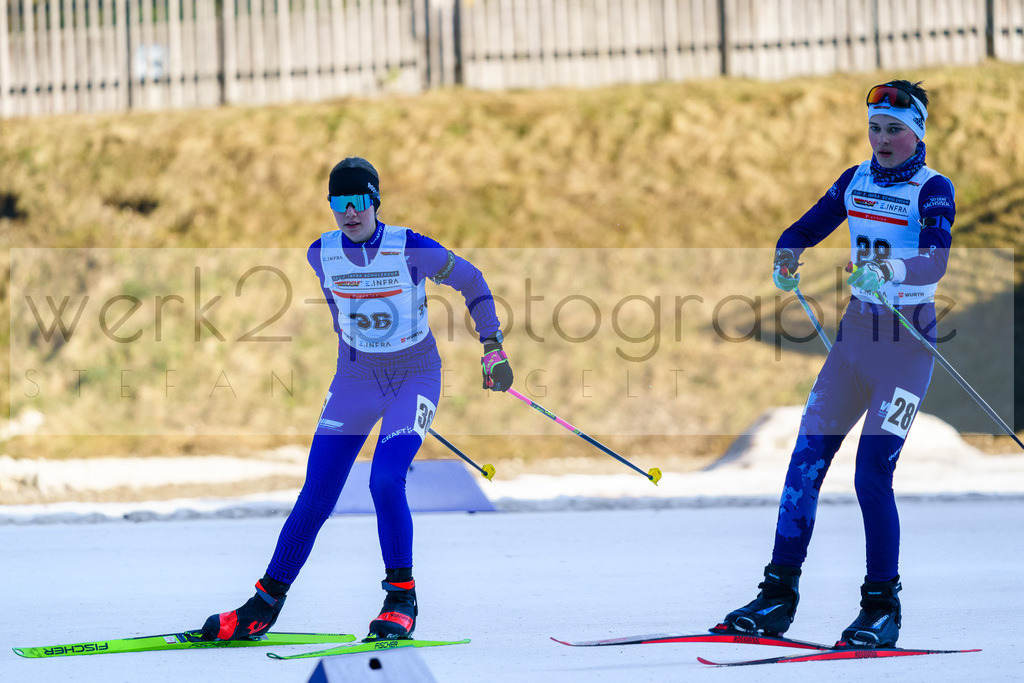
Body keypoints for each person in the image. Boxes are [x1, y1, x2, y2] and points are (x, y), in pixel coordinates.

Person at [201, 157, 513, 642]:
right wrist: (361, 370)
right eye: (338, 203)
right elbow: (342, 319)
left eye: (358, 201)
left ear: (375, 201)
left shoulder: (411, 247)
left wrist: (492, 347)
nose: (349, 213)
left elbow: (472, 282)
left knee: (384, 480)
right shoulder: (319, 254)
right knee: (316, 495)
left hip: (415, 376)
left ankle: (401, 598)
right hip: (355, 382)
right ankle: (263, 605)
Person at [717, 80, 955, 647]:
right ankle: (777, 595)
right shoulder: (856, 180)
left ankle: (881, 608)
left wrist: (892, 272)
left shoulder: (933, 188)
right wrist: (786, 251)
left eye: (895, 129)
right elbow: (804, 227)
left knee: (871, 476)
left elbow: (936, 258)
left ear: (917, 133)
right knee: (804, 465)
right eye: (875, 128)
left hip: (907, 347)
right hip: (853, 344)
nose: (882, 140)